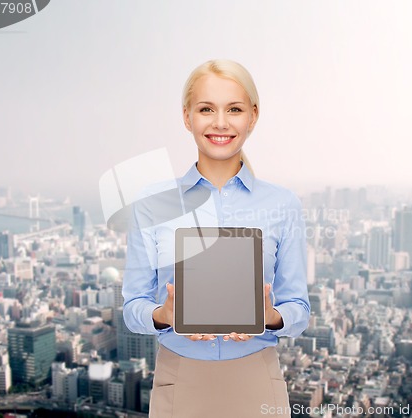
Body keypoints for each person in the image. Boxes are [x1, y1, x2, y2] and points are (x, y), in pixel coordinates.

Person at [122, 59, 310, 418]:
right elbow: (133, 308)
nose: (220, 122)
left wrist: (270, 318)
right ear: (187, 116)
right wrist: (163, 314)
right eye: (206, 109)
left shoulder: (282, 204)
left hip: (258, 378)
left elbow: (299, 308)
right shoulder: (153, 204)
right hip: (179, 379)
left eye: (234, 109)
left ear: (253, 116)